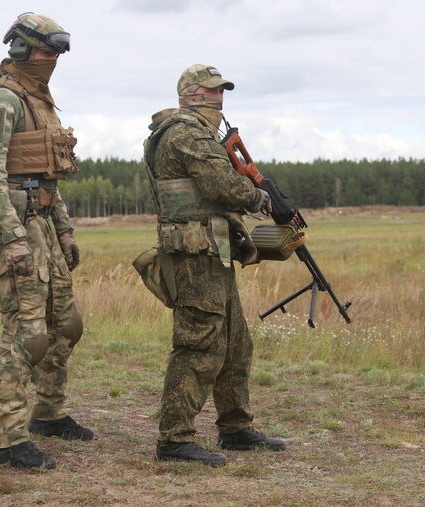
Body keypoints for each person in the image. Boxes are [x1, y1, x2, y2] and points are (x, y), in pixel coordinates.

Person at [143, 64, 287, 466]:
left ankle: (235, 427)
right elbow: (221, 185)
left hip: (213, 251)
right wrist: (259, 198)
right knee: (199, 345)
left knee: (235, 342)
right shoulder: (186, 133)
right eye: (208, 91)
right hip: (193, 255)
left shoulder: (196, 132)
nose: (217, 98)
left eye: (221, 90)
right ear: (188, 94)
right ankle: (174, 440)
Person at [0, 12, 92, 470]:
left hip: (43, 225)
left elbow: (48, 177)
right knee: (26, 333)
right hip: (14, 230)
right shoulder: (2, 99)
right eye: (45, 51)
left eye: (57, 52)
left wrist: (64, 230)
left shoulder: (40, 101)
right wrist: (13, 238)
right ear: (20, 48)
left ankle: (49, 413)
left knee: (66, 325)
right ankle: (8, 437)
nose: (52, 59)